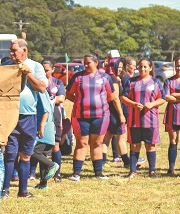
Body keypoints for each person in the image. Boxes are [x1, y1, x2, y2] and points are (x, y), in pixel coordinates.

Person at [1, 39, 47, 197]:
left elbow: (42, 88)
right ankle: (4, 190)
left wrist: (28, 73)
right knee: (9, 154)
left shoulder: (36, 66)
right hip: (10, 116)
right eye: (11, 50)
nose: (11, 53)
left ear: (24, 51)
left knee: (26, 155)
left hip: (29, 117)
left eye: (14, 50)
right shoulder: (5, 66)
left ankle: (23, 190)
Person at [66, 53, 113, 181]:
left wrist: (99, 104)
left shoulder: (105, 77)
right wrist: (80, 102)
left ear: (96, 63)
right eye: (84, 63)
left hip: (101, 116)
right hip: (80, 116)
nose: (86, 65)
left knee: (97, 143)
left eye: (89, 63)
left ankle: (98, 173)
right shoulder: (77, 77)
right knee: (82, 143)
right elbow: (69, 94)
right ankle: (76, 173)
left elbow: (111, 96)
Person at [121, 57, 166, 178]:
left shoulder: (156, 82)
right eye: (140, 66)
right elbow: (123, 97)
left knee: (150, 145)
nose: (142, 69)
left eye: (145, 66)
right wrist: (134, 104)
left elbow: (163, 98)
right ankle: (132, 171)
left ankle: (152, 171)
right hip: (134, 121)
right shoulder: (131, 82)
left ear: (150, 68)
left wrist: (152, 104)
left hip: (150, 121)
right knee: (134, 145)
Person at [103, 58, 131, 169]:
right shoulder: (113, 79)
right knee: (121, 137)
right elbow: (115, 98)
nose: (120, 69)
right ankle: (127, 162)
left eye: (121, 67)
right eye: (118, 67)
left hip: (107, 112)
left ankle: (102, 161)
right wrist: (121, 114)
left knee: (107, 136)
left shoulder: (106, 77)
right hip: (114, 113)